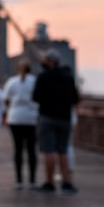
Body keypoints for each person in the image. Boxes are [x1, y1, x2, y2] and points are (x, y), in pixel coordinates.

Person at [32, 49, 81, 194]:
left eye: (45, 59)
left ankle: (49, 183)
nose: (43, 61)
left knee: (48, 151)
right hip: (64, 117)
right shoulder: (68, 77)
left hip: (47, 117)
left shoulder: (43, 76)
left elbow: (35, 97)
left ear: (50, 61)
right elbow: (75, 98)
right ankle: (66, 183)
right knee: (63, 150)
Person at [2, 60, 38, 190]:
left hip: (15, 118)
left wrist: (10, 109)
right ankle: (33, 180)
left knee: (18, 149)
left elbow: (5, 99)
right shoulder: (35, 81)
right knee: (31, 149)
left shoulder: (12, 82)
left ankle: (19, 180)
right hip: (31, 118)